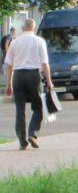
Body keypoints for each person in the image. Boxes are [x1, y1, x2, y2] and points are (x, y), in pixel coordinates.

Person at [3, 18, 54, 150]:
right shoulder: (39, 41)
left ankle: (22, 141)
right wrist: (49, 81)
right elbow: (44, 63)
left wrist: (9, 84)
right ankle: (32, 133)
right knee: (38, 107)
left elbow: (8, 65)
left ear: (22, 28)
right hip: (33, 75)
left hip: (18, 76)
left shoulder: (15, 42)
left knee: (20, 110)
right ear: (34, 28)